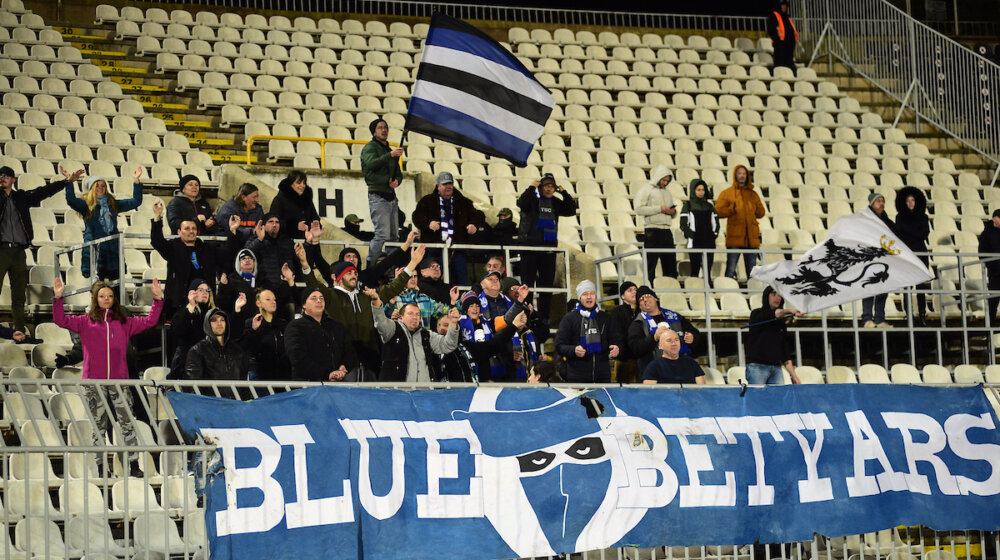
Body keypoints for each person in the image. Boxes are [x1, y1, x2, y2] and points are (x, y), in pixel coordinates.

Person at [52, 276, 163, 476]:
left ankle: (133, 465)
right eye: (102, 296)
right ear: (95, 299)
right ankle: (102, 467)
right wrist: (57, 298)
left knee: (128, 423)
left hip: (119, 382)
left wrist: (157, 300)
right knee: (98, 426)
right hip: (94, 383)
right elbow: (61, 320)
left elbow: (150, 321)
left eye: (110, 296)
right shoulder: (85, 322)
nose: (106, 299)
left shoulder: (124, 322)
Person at [297, 242, 425, 379]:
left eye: (355, 273)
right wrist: (305, 263)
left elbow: (393, 287)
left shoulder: (367, 296)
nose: (354, 275)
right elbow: (313, 284)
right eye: (349, 273)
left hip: (371, 360)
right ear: (339, 278)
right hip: (343, 363)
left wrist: (412, 264)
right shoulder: (330, 295)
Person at [0, 164, 83, 331]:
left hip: (19, 252)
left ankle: (19, 330)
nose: (2, 178)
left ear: (13, 180)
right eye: (0, 175)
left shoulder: (21, 197)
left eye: (6, 176)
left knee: (19, 295)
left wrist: (66, 182)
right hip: (1, 250)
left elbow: (43, 191)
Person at [151, 199, 240, 315]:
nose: (191, 231)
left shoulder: (207, 248)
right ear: (179, 232)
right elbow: (157, 241)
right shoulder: (173, 248)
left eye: (193, 228)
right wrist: (157, 216)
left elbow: (227, 253)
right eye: (187, 229)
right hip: (178, 304)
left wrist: (233, 231)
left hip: (205, 303)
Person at [66, 166, 144, 280]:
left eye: (103, 185)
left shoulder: (112, 204)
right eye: (97, 186)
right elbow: (71, 200)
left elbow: (136, 201)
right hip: (96, 251)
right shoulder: (86, 205)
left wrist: (136, 181)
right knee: (98, 290)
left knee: (116, 289)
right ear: (92, 188)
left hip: (113, 251)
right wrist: (69, 182)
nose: (100, 188)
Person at [516, 173, 577, 318]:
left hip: (548, 250)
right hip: (529, 249)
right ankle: (526, 315)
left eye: (552, 187)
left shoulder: (556, 202)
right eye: (546, 186)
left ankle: (544, 318)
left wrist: (564, 192)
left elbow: (571, 210)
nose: (549, 189)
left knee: (546, 288)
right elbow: (521, 203)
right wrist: (532, 187)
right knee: (527, 286)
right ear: (541, 187)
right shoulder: (532, 199)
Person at [369, 289, 461, 382]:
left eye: (417, 314)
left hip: (424, 392)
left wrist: (453, 323)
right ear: (401, 317)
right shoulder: (393, 329)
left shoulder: (426, 335)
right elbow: (381, 322)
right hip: (398, 392)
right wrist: (376, 300)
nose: (415, 317)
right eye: (410, 314)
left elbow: (449, 345)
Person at [412, 171, 486, 285]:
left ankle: (462, 300)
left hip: (457, 249)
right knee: (434, 280)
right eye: (445, 184)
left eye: (450, 183)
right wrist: (428, 224)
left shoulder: (463, 202)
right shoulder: (427, 201)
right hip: (434, 249)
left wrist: (474, 225)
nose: (448, 187)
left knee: (461, 279)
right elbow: (416, 217)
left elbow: (479, 216)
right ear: (438, 186)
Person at [285, 287, 359, 381]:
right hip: (309, 386)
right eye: (313, 298)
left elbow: (350, 352)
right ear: (304, 304)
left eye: (321, 298)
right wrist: (326, 374)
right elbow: (297, 358)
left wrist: (344, 366)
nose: (319, 301)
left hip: (337, 385)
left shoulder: (337, 326)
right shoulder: (295, 327)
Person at [555, 280, 621, 383]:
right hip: (577, 377)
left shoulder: (606, 318)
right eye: (585, 294)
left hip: (602, 376)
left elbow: (616, 340)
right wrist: (574, 350)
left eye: (592, 293)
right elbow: (559, 346)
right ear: (580, 298)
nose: (589, 297)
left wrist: (617, 347)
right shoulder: (569, 319)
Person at [456, 291, 527, 382]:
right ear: (466, 309)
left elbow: (506, 318)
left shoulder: (488, 323)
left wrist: (519, 301)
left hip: (490, 372)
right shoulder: (458, 324)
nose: (475, 309)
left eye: (477, 306)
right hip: (467, 372)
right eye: (471, 306)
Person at [628, 285, 700, 374]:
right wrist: (653, 338)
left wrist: (693, 338)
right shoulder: (638, 323)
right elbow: (635, 347)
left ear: (656, 299)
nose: (645, 300)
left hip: (681, 367)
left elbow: (696, 334)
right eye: (641, 299)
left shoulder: (674, 316)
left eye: (647, 296)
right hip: (655, 371)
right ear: (640, 306)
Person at [361, 117, 403, 262]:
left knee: (393, 236)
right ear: (373, 132)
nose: (384, 130)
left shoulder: (388, 150)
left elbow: (398, 172)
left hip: (391, 195)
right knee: (382, 235)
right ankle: (371, 264)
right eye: (380, 127)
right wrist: (390, 155)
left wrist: (398, 181)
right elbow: (371, 164)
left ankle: (391, 268)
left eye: (385, 127)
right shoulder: (370, 148)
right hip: (378, 195)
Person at [715, 165, 765, 281]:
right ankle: (727, 290)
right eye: (739, 173)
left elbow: (761, 212)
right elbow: (718, 211)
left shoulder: (753, 194)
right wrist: (732, 209)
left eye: (744, 173)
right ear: (735, 175)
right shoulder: (726, 193)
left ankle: (753, 294)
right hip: (734, 238)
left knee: (752, 273)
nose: (742, 176)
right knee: (731, 269)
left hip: (751, 238)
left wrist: (753, 209)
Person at [746, 286, 803, 385]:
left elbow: (785, 352)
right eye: (773, 294)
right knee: (757, 399)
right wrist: (790, 311)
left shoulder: (781, 322)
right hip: (758, 367)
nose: (777, 298)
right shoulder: (756, 313)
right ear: (766, 296)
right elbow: (774, 314)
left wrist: (794, 376)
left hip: (776, 368)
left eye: (780, 295)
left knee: (778, 399)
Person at [185, 308, 249, 387]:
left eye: (222, 320)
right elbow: (192, 385)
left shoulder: (237, 350)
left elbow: (244, 383)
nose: (219, 323)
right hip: (209, 399)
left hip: (234, 398)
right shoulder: (197, 351)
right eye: (214, 320)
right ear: (207, 324)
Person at [895, 186, 931, 325]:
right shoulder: (900, 217)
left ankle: (922, 315)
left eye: (913, 200)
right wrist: (913, 232)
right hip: (907, 253)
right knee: (907, 286)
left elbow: (924, 234)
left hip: (921, 253)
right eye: (908, 201)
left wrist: (907, 231)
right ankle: (909, 314)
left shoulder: (924, 216)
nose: (910, 203)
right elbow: (899, 234)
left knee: (921, 286)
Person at [385, 265, 461, 330]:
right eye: (410, 277)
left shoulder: (425, 298)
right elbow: (384, 316)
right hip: (403, 342)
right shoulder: (396, 297)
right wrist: (395, 287)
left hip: (423, 343)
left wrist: (454, 302)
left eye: (415, 276)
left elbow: (444, 312)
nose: (413, 279)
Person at [635, 165, 677, 280]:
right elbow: (638, 209)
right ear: (658, 177)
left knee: (670, 264)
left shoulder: (667, 192)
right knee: (651, 264)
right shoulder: (646, 189)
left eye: (667, 181)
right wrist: (659, 209)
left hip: (667, 230)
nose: (665, 183)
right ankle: (649, 288)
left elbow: (671, 211)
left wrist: (672, 212)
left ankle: (671, 288)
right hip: (652, 230)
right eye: (663, 180)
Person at [168, 279, 216, 379]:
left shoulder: (214, 313)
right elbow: (177, 330)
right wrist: (191, 307)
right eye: (201, 290)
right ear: (192, 292)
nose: (205, 293)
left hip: (208, 360)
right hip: (186, 361)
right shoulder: (185, 311)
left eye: (207, 290)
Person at [861, 193, 896, 328]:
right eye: (878, 201)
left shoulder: (887, 221)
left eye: (883, 201)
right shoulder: (866, 218)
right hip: (870, 257)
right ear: (871, 203)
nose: (881, 203)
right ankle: (867, 319)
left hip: (884, 258)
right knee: (869, 288)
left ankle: (880, 319)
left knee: (883, 289)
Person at [239, 289, 290, 381]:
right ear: (258, 303)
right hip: (260, 374)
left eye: (274, 299)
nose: (273, 302)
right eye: (268, 299)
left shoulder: (283, 324)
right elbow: (246, 349)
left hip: (282, 374)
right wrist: (253, 330)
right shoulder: (250, 323)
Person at [680, 177, 720, 282]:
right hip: (695, 243)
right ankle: (694, 291)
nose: (701, 192)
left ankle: (709, 291)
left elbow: (716, 223)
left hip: (709, 242)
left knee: (708, 271)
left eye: (703, 189)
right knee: (695, 271)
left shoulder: (710, 206)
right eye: (698, 190)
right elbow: (683, 224)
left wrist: (713, 235)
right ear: (693, 190)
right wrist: (693, 235)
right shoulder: (687, 206)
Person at [245, 213, 297, 290]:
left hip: (284, 284)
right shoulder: (256, 239)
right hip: (262, 286)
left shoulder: (286, 241)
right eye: (271, 222)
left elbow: (293, 261)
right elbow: (246, 254)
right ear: (264, 225)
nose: (274, 224)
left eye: (277, 222)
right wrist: (259, 240)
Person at [269, 170, 320, 241]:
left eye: (304, 183)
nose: (302, 185)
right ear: (290, 184)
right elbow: (273, 222)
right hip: (285, 243)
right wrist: (295, 226)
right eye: (298, 183)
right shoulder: (279, 200)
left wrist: (315, 226)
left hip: (307, 242)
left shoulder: (307, 200)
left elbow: (315, 217)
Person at [430, 312, 476, 382]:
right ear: (437, 327)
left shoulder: (466, 346)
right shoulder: (431, 350)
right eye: (446, 325)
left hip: (470, 390)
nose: (450, 329)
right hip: (444, 391)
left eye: (452, 325)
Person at [610, 281, 640, 383]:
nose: (634, 292)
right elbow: (617, 335)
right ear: (623, 296)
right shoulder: (617, 312)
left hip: (641, 359)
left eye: (636, 290)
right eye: (630, 290)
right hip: (625, 359)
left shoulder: (644, 311)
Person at [979, 209, 1000, 324]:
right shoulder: (986, 234)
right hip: (995, 272)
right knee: (993, 301)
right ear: (994, 218)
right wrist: (992, 265)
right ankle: (989, 326)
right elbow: (982, 253)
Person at [767, 0, 798, 75]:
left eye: (785, 5)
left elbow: (792, 31)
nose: (784, 7)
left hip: (789, 47)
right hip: (780, 46)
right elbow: (772, 30)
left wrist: (793, 42)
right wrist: (777, 41)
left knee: (790, 66)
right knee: (779, 65)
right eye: (782, 5)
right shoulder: (774, 15)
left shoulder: (787, 17)